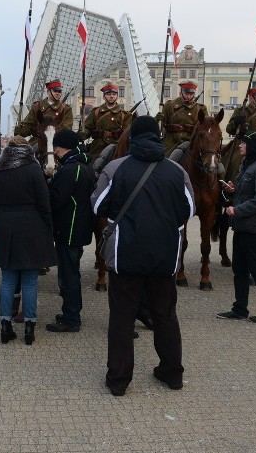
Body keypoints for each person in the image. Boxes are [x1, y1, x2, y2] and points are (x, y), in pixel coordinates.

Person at [92, 115, 195, 396]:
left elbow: (99, 206)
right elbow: (188, 210)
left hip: (125, 256)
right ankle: (172, 373)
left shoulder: (115, 168)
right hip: (164, 257)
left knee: (122, 318)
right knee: (165, 316)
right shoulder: (177, 171)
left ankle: (119, 380)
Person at [0, 136, 56, 345]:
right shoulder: (34, 169)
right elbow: (45, 202)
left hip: (7, 226)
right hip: (32, 225)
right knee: (30, 280)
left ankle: (5, 325)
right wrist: (48, 225)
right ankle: (29, 327)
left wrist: (2, 220)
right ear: (27, 150)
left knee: (8, 280)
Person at [217, 132, 256, 324]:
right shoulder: (249, 165)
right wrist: (234, 189)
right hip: (242, 227)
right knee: (239, 269)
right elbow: (250, 191)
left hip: (255, 229)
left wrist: (236, 210)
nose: (240, 146)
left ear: (252, 146)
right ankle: (240, 309)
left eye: (244, 143)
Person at [45, 130, 96, 334]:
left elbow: (57, 199)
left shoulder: (70, 169)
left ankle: (71, 318)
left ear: (61, 146)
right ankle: (71, 312)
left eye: (56, 146)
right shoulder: (83, 165)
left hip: (70, 228)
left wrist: (48, 187)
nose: (54, 151)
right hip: (78, 227)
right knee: (71, 273)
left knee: (69, 275)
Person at [223, 85, 256, 181]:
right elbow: (229, 129)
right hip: (242, 145)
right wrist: (235, 123)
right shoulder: (241, 111)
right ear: (251, 98)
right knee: (235, 163)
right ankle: (232, 184)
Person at [79, 83, 132, 161]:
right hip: (97, 150)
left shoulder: (124, 115)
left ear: (117, 96)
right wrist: (82, 134)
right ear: (104, 96)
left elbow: (126, 135)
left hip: (115, 150)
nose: (111, 96)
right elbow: (87, 128)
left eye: (114, 94)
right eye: (108, 94)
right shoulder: (96, 112)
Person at [158, 79, 209, 157]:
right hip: (171, 142)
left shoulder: (200, 109)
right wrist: (158, 119)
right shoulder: (169, 105)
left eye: (191, 94)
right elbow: (160, 127)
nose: (188, 96)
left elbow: (206, 128)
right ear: (181, 92)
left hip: (191, 142)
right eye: (186, 93)